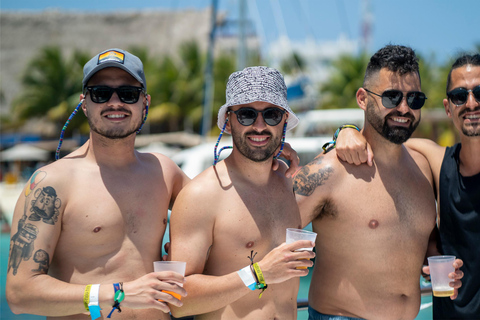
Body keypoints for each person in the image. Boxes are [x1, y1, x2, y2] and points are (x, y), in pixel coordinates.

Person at [6, 48, 189, 319]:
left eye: (128, 94)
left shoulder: (165, 172)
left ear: (145, 102)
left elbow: (222, 212)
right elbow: (21, 295)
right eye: (100, 93)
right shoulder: (51, 184)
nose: (115, 102)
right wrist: (120, 293)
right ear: (84, 103)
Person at [293, 45, 463, 320]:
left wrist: (436, 263)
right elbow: (267, 231)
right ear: (362, 98)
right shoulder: (329, 171)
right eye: (392, 97)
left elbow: (422, 238)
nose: (404, 108)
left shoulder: (423, 168)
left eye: (414, 99)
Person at [335, 53, 479, 319]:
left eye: (479, 93)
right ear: (449, 108)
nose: (472, 103)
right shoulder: (436, 163)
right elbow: (385, 138)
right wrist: (345, 131)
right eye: (460, 96)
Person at [168, 66, 315, 320]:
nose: (259, 126)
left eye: (271, 115)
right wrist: (258, 274)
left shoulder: (287, 180)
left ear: (284, 121)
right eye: (246, 115)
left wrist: (344, 131)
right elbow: (177, 300)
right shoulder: (201, 196)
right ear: (228, 121)